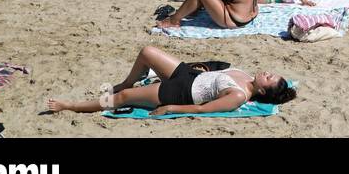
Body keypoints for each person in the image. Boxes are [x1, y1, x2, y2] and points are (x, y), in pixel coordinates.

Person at [46, 44, 293, 116]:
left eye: (269, 78)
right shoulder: (247, 77)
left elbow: (201, 108)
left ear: (262, 91)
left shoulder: (239, 95)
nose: (267, 73)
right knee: (146, 52)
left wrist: (171, 108)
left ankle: (71, 105)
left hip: (181, 92)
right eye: (271, 73)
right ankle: (126, 81)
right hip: (190, 75)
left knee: (121, 99)